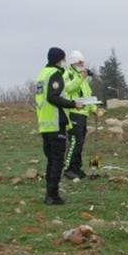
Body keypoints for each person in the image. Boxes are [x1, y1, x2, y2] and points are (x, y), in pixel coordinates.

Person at [35, 47, 78, 205]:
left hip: (45, 124)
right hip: (55, 123)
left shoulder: (42, 74)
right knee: (57, 161)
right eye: (64, 59)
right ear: (59, 59)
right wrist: (73, 104)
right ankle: (52, 195)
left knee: (51, 160)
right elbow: (53, 97)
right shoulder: (55, 74)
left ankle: (50, 192)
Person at [62, 50, 96, 179]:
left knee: (80, 142)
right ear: (72, 63)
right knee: (75, 141)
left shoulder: (83, 77)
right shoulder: (68, 75)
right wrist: (80, 78)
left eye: (83, 62)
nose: (82, 65)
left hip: (83, 113)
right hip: (73, 112)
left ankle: (77, 168)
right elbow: (68, 89)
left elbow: (87, 95)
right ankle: (68, 168)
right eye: (79, 62)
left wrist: (94, 109)